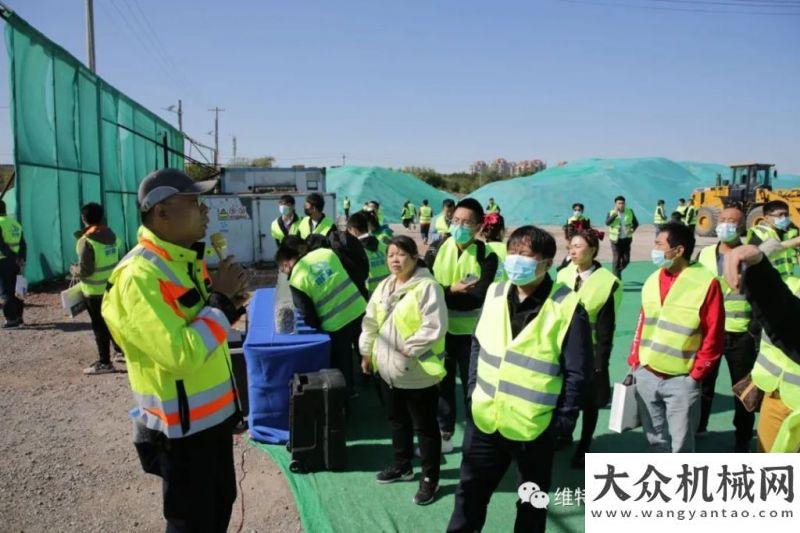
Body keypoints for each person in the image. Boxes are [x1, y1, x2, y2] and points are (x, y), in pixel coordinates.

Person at [102, 168, 246, 532]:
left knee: (218, 507)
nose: (205, 210)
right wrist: (222, 305)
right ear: (160, 212)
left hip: (211, 423)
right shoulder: (139, 276)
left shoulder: (183, 262)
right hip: (180, 434)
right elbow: (180, 355)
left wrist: (226, 301)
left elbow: (204, 328)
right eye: (194, 202)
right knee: (191, 521)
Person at [447, 225, 592, 533]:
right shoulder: (495, 292)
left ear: (547, 263)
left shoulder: (567, 307)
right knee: (469, 495)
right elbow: (478, 344)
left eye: (525, 255)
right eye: (512, 253)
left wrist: (561, 425)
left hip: (533, 428)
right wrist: (472, 391)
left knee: (531, 504)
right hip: (485, 419)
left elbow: (578, 374)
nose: (515, 260)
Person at [359, 236, 448, 505]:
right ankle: (403, 465)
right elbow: (370, 320)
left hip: (416, 371)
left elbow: (434, 327)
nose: (394, 260)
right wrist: (366, 352)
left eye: (400, 254)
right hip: (387, 371)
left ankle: (430, 479)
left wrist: (408, 352)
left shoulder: (427, 287)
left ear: (413, 257)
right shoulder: (384, 285)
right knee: (397, 420)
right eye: (390, 255)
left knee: (426, 428)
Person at [627, 222, 724, 453]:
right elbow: (643, 322)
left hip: (681, 379)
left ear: (679, 250)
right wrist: (635, 361)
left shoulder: (705, 282)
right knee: (655, 439)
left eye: (659, 245)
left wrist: (697, 373)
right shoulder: (652, 279)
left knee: (681, 444)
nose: (655, 250)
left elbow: (714, 333)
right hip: (647, 372)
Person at [425, 198, 498, 453]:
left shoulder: (487, 255)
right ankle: (445, 432)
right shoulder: (436, 248)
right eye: (455, 221)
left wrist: (443, 294)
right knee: (442, 384)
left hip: (471, 334)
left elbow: (478, 297)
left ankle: (475, 432)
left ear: (478, 227)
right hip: (440, 331)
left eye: (466, 222)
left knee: (473, 385)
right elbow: (424, 291)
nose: (459, 226)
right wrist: (452, 290)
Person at [723, 241, 800, 452]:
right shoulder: (792, 285)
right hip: (774, 393)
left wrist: (758, 263)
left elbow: (788, 323)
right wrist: (757, 257)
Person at [694, 206, 757, 451]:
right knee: (703, 384)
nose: (726, 224)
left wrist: (755, 329)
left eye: (733, 221)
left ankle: (742, 438)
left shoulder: (751, 255)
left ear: (742, 227)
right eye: (723, 219)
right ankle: (699, 426)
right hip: (708, 333)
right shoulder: (705, 254)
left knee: (742, 389)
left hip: (740, 333)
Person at [555, 231, 620, 467]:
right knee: (563, 395)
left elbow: (605, 330)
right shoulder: (562, 274)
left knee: (590, 403)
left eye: (578, 246)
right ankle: (564, 434)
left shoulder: (607, 282)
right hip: (561, 350)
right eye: (571, 246)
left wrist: (600, 364)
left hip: (589, 354)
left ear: (593, 249)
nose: (572, 250)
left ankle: (584, 444)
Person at [277, 236, 368, 396]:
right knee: (366, 349)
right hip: (359, 309)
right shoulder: (326, 253)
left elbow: (307, 313)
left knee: (343, 361)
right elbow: (354, 272)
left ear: (286, 263)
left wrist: (318, 325)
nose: (284, 272)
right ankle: (375, 382)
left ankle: (348, 394)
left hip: (336, 324)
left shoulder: (296, 279)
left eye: (282, 269)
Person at [74, 203, 123, 375]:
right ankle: (121, 351)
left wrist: (75, 270)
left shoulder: (86, 241)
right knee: (112, 321)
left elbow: (86, 270)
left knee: (99, 326)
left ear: (84, 218)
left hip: (94, 292)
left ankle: (105, 362)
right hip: (112, 287)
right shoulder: (112, 235)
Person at [744, 200, 799, 279]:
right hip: (771, 282)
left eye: (786, 214)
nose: (784, 218)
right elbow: (757, 257)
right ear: (767, 218)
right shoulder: (758, 234)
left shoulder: (791, 232)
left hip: (792, 280)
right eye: (780, 215)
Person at [347, 211, 390, 294]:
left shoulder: (355, 251)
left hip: (370, 295)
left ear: (354, 230)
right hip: (388, 291)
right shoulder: (384, 246)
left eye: (349, 231)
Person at [0, 199, 26, 328]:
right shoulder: (15, 223)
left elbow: (1, 245)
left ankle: (10, 319)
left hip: (3, 261)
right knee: (17, 290)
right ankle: (19, 317)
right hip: (16, 262)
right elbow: (22, 244)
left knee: (6, 291)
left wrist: (14, 257)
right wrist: (21, 258)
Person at [605, 195, 639, 279]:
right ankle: (616, 278)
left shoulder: (630, 211)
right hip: (615, 240)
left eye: (623, 203)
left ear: (625, 203)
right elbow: (607, 223)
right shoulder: (611, 212)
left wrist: (632, 229)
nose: (621, 205)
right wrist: (614, 214)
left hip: (627, 239)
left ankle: (617, 271)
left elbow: (636, 223)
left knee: (626, 260)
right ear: (616, 204)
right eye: (619, 203)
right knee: (616, 259)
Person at [480, 212, 507, 282]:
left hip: (484, 291)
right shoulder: (510, 249)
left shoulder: (480, 249)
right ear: (502, 231)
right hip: (504, 290)